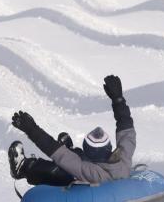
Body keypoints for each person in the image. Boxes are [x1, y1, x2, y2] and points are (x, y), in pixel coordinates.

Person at [8, 74, 136, 187]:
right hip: (102, 168)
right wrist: (118, 100)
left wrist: (31, 129)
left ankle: (23, 167)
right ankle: (71, 149)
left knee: (62, 171)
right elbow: (126, 131)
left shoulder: (92, 172)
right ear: (109, 147)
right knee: (72, 156)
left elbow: (59, 154)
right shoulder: (123, 158)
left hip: (91, 189)